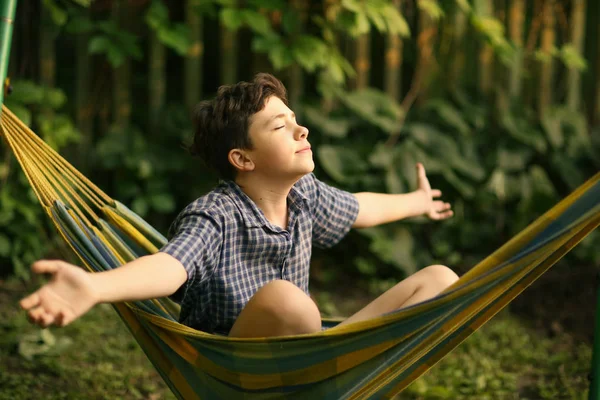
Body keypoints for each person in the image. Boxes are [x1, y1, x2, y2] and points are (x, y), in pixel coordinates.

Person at [20, 73, 458, 338]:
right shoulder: (216, 215)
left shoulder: (304, 197)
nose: (302, 130)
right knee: (287, 300)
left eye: (296, 120)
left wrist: (417, 201)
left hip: (314, 353)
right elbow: (169, 267)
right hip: (235, 368)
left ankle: (342, 366)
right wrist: (96, 287)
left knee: (440, 278)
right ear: (243, 159)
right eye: (280, 126)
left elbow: (361, 209)